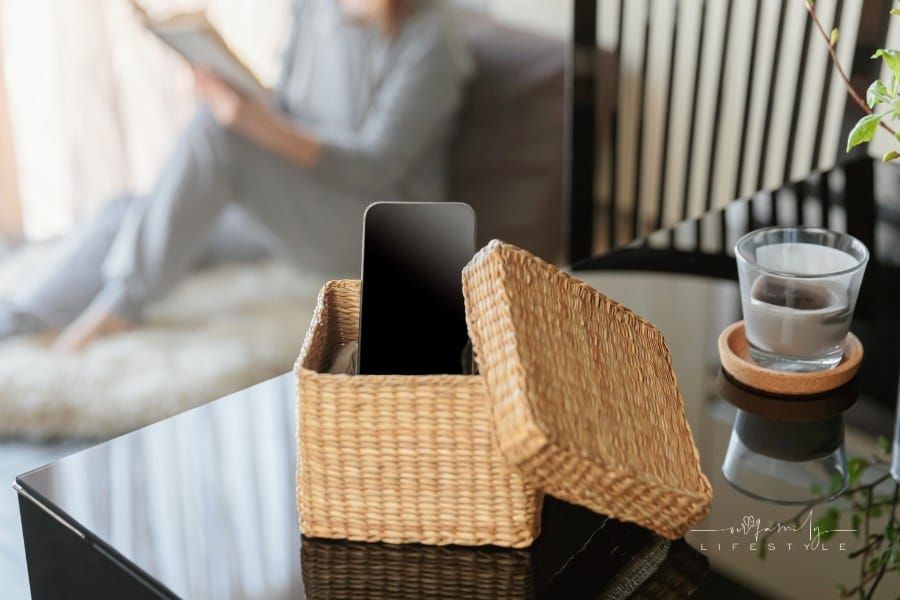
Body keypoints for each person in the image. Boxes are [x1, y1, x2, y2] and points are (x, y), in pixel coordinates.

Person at [0, 0, 473, 351]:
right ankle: (19, 317)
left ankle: (120, 305)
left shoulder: (435, 36)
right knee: (132, 213)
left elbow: (378, 166)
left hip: (375, 227)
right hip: (299, 203)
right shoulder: (316, 8)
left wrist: (252, 125)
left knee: (218, 136)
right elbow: (290, 109)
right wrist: (239, 89)